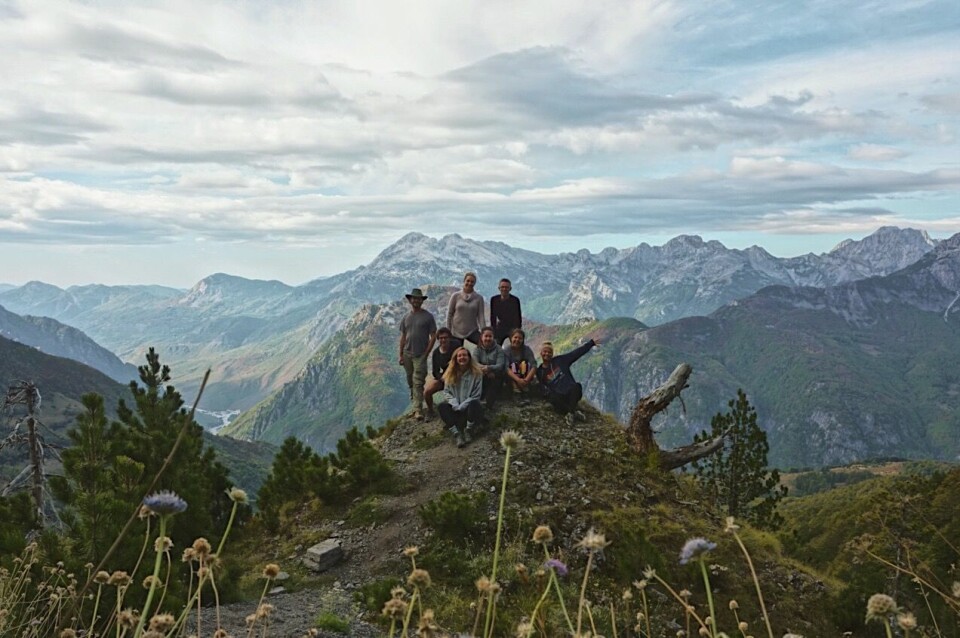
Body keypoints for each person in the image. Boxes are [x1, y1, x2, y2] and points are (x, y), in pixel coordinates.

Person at [536, 337, 601, 425]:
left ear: (552, 353)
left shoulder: (560, 360)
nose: (547, 354)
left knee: (577, 387)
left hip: (570, 391)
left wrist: (591, 343)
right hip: (559, 396)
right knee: (552, 399)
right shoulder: (540, 372)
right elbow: (541, 387)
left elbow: (576, 354)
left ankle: (570, 413)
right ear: (541, 353)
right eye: (545, 351)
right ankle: (573, 411)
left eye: (549, 352)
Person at [398, 288, 437, 421]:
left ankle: (418, 410)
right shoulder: (406, 317)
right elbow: (403, 336)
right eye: (414, 298)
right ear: (410, 300)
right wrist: (401, 354)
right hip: (407, 353)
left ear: (422, 300)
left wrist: (427, 352)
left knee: (418, 382)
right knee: (410, 380)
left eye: (418, 298)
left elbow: (434, 335)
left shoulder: (428, 317)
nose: (416, 300)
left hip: (420, 355)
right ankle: (415, 400)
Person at [438, 347, 484, 448]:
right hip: (455, 409)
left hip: (469, 410)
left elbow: (476, 395)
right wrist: (454, 403)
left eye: (464, 355)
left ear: (469, 358)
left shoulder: (476, 374)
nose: (462, 358)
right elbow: (446, 392)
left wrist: (463, 405)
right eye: (459, 356)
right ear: (455, 359)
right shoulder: (450, 374)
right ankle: (456, 433)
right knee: (442, 406)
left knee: (475, 403)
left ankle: (469, 429)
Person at [424, 327, 455, 420]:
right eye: (441, 338)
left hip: (457, 375)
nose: (443, 340)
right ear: (438, 339)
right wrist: (442, 378)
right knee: (427, 391)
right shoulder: (436, 353)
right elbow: (435, 371)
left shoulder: (455, 345)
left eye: (445, 337)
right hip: (444, 377)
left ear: (449, 338)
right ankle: (430, 411)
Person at [447, 271, 485, 345]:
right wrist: (448, 330)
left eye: (472, 282)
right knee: (456, 352)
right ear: (464, 281)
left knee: (484, 344)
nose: (470, 283)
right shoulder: (455, 296)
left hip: (472, 331)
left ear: (475, 283)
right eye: (468, 281)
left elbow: (481, 317)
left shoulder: (479, 298)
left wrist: (483, 332)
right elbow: (450, 314)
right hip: (456, 332)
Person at [473, 326, 506, 410]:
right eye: (486, 336)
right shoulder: (477, 349)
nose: (488, 338)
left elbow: (500, 365)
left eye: (490, 336)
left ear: (493, 337)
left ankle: (488, 405)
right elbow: (474, 363)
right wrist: (486, 370)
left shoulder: (499, 349)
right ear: (481, 337)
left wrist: (489, 368)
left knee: (494, 381)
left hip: (495, 375)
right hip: (483, 374)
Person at [504, 328, 537, 402]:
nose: (517, 340)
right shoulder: (507, 351)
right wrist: (518, 380)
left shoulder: (527, 349)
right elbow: (506, 368)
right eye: (515, 337)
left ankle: (525, 390)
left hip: (524, 374)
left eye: (520, 338)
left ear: (523, 340)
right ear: (511, 338)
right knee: (513, 366)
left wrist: (526, 380)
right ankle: (516, 392)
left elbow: (534, 365)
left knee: (525, 364)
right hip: (512, 376)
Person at [490, 278, 522, 346]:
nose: (504, 289)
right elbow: (493, 317)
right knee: (495, 346)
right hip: (500, 327)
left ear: (510, 289)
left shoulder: (515, 300)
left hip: (512, 327)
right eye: (502, 287)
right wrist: (493, 331)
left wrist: (517, 332)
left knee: (517, 344)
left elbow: (518, 317)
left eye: (506, 287)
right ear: (499, 288)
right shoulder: (494, 300)